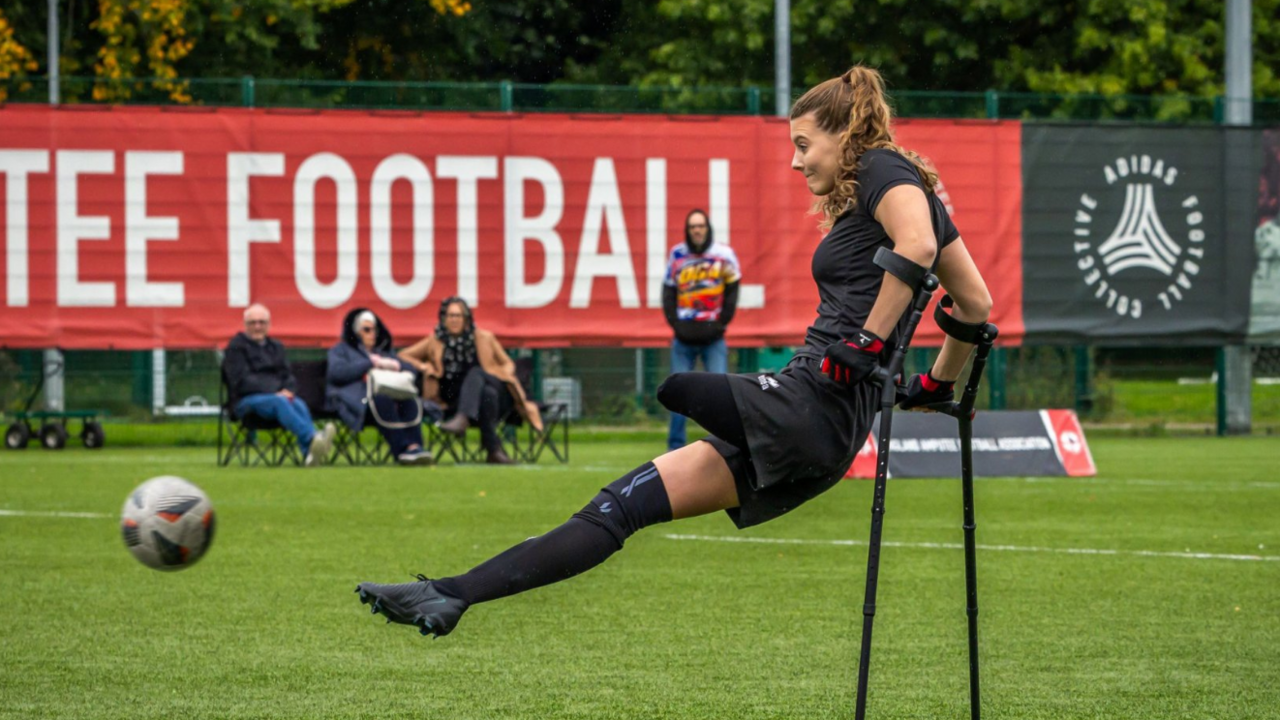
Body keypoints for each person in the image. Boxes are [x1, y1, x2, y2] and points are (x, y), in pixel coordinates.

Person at [355, 65, 994, 640]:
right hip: (817, 426)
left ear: (845, 134)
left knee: (676, 389)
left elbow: (914, 248)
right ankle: (448, 595)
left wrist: (867, 341)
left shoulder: (883, 168)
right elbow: (975, 305)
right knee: (620, 506)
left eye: (803, 144)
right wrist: (938, 385)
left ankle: (450, 594)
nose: (795, 163)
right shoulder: (896, 193)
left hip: (809, 406)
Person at [398, 297, 544, 465]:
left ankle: (462, 419)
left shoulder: (484, 337)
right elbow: (403, 355)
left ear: (466, 318)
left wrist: (501, 373)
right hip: (461, 399)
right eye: (450, 315)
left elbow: (508, 363)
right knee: (486, 395)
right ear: (443, 318)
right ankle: (494, 450)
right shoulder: (435, 340)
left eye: (458, 316)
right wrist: (424, 366)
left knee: (477, 374)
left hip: (495, 386)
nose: (454, 320)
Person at [662, 208, 741, 451]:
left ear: (707, 229)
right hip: (683, 338)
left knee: (719, 396)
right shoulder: (677, 255)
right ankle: (675, 447)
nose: (697, 230)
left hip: (713, 338)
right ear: (688, 230)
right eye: (693, 226)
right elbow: (668, 292)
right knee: (677, 397)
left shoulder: (724, 255)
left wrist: (721, 324)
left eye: (701, 226)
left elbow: (732, 290)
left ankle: (722, 446)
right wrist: (676, 325)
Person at [223, 303, 334, 466]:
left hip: (276, 398)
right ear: (245, 325)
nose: (257, 326)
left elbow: (287, 375)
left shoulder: (276, 347)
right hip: (244, 401)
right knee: (281, 401)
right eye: (252, 323)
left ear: (269, 325)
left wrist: (288, 390)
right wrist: (276, 391)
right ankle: (312, 438)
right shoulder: (235, 348)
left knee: (297, 403)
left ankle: (310, 455)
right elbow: (240, 381)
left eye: (261, 322)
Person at [325, 308, 434, 465]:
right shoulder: (340, 351)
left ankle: (415, 446)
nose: (372, 333)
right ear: (356, 332)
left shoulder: (384, 352)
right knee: (382, 401)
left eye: (374, 329)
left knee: (409, 400)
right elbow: (336, 373)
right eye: (367, 330)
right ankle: (402, 450)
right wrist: (370, 363)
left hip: (390, 398)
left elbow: (409, 369)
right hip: (357, 402)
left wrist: (395, 365)